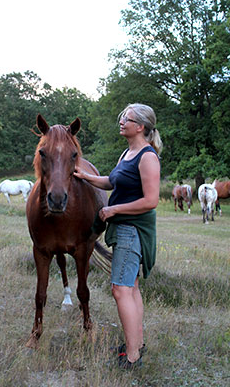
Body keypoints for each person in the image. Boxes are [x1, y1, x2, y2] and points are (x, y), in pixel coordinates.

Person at [74, 103, 162, 370]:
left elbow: (151, 200)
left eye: (128, 118)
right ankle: (136, 343)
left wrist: (113, 209)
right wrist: (85, 176)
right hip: (124, 228)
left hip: (132, 230)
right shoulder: (127, 153)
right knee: (131, 288)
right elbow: (112, 182)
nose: (122, 121)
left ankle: (133, 356)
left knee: (121, 289)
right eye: (122, 116)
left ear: (141, 127)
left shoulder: (147, 157)